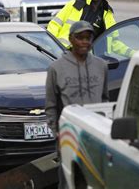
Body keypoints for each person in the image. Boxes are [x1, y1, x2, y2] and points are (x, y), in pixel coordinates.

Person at [45, 20, 109, 189]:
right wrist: (57, 133)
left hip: (95, 133)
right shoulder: (56, 68)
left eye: (88, 38)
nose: (85, 42)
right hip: (69, 133)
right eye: (80, 37)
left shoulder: (101, 66)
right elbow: (51, 105)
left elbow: (105, 99)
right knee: (68, 180)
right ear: (71, 39)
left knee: (95, 179)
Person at [47, 0, 135, 57]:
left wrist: (134, 54)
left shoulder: (107, 13)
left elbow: (114, 43)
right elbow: (54, 25)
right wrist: (54, 48)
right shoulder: (75, 4)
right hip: (66, 53)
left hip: (93, 58)